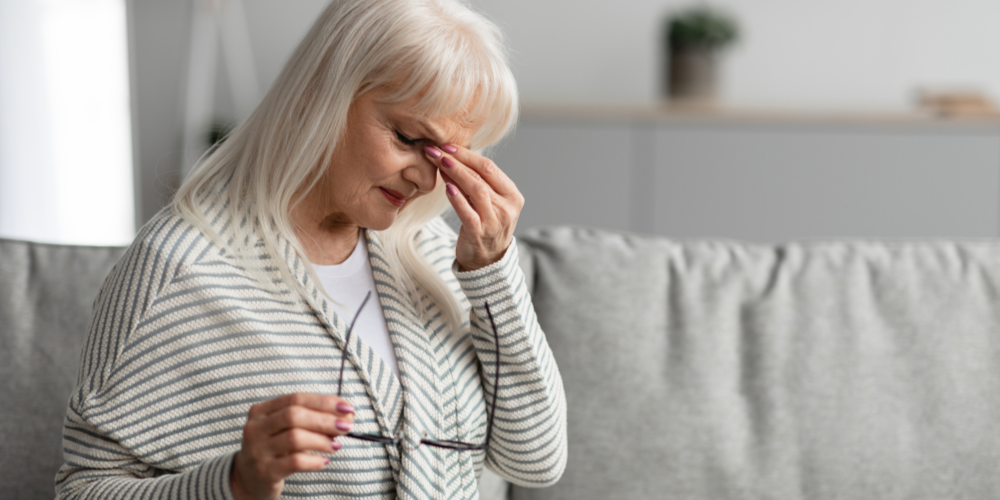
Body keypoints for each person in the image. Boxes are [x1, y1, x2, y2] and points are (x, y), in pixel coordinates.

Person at [54, 0, 567, 498]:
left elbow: (537, 459)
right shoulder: (177, 271)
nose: (426, 179)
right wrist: (234, 485)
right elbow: (84, 489)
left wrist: (495, 277)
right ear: (318, 92)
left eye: (448, 157)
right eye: (408, 138)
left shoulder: (436, 255)